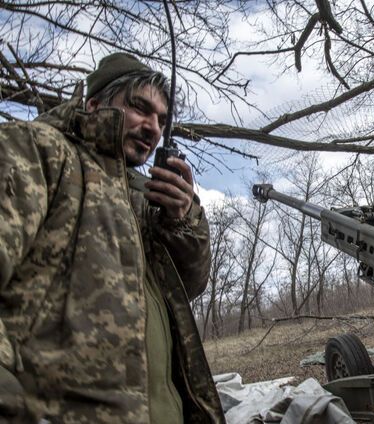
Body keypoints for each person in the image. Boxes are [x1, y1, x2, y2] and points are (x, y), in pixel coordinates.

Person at [0, 53, 225, 423]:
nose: (153, 128)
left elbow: (190, 287)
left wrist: (183, 220)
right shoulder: (40, 151)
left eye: (162, 119)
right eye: (140, 108)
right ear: (94, 104)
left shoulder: (145, 201)